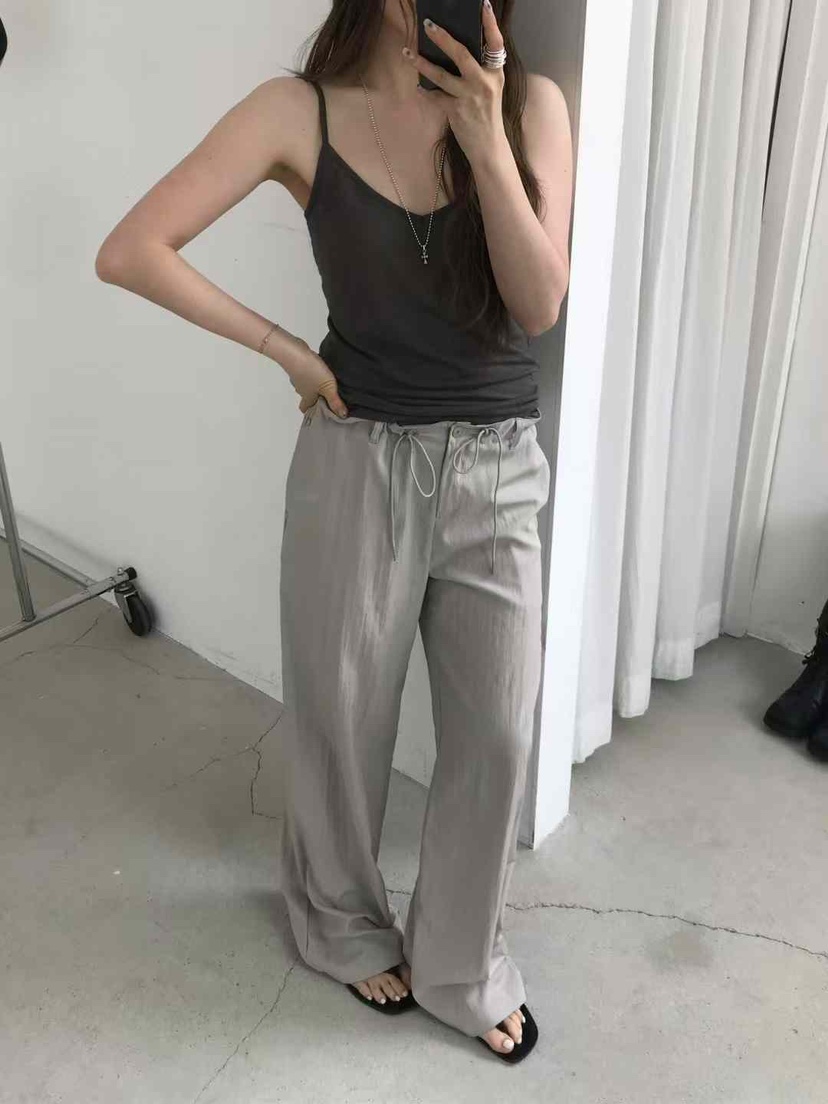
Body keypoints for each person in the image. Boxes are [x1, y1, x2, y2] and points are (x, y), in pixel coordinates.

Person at [96, 0, 572, 1063]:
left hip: (497, 467)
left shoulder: (532, 107)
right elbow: (130, 250)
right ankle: (341, 924)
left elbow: (538, 306)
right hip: (357, 460)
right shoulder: (298, 111)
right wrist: (285, 350)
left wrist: (486, 137)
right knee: (342, 721)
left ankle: (460, 961)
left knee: (497, 733)